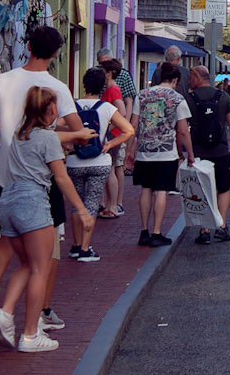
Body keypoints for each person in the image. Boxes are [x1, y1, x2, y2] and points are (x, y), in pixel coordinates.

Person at [0, 25, 82, 337]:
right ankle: (42, 313)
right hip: (39, 179)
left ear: (28, 46)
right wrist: (56, 128)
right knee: (47, 254)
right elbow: (75, 132)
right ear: (56, 53)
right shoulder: (56, 87)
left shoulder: (2, 80)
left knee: (9, 239)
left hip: (7, 176)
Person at [0, 85, 95, 353]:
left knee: (26, 264)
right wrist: (82, 210)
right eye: (55, 106)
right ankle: (30, 334)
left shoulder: (18, 135)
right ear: (50, 109)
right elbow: (61, 177)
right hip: (32, 202)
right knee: (41, 267)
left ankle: (5, 313)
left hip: (8, 202)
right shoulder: (48, 138)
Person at [65, 67, 134, 260]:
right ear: (102, 86)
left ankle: (76, 245)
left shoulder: (73, 107)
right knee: (91, 204)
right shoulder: (106, 108)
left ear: (84, 84)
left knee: (76, 204)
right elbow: (128, 130)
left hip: (74, 161)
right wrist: (110, 143)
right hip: (99, 161)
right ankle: (86, 249)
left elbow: (57, 126)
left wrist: (69, 141)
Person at [133, 62, 193, 245]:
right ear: (175, 80)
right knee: (161, 191)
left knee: (145, 190)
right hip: (166, 153)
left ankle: (144, 231)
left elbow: (133, 125)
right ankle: (157, 232)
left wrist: (130, 150)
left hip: (144, 151)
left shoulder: (141, 95)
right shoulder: (177, 99)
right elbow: (183, 130)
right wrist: (190, 153)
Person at [185, 65, 230, 244]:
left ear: (197, 78)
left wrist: (185, 152)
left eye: (191, 77)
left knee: (202, 189)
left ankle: (204, 229)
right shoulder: (223, 97)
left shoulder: (190, 98)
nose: (189, 81)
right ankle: (222, 227)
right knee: (223, 188)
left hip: (198, 151)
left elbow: (182, 128)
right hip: (220, 150)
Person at [97, 48, 136, 219]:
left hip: (113, 134)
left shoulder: (113, 89)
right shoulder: (110, 88)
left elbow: (121, 108)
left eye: (104, 70)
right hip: (114, 132)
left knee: (111, 168)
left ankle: (112, 206)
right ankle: (110, 205)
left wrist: (110, 125)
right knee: (110, 168)